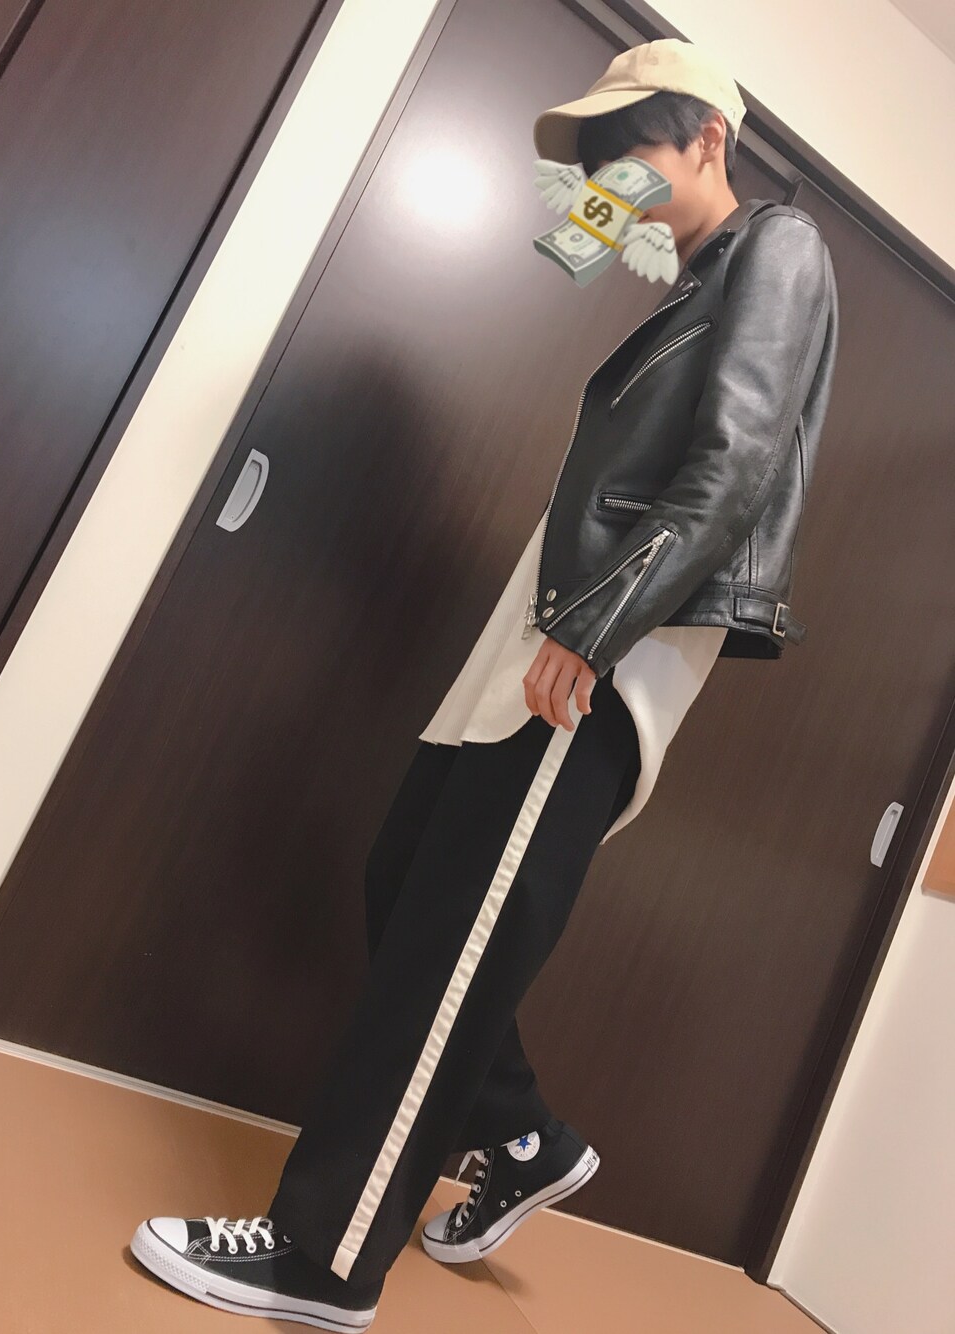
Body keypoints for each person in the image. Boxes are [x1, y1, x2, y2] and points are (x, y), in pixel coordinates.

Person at [129, 37, 838, 1329]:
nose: (612, 178)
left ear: (711, 141)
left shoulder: (779, 247)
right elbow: (573, 258)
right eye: (602, 157)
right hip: (542, 634)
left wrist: (601, 626)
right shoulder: (697, 277)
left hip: (597, 648)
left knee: (448, 942)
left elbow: (736, 464)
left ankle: (321, 1259)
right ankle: (519, 1137)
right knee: (408, 884)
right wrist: (607, 192)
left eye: (635, 148)